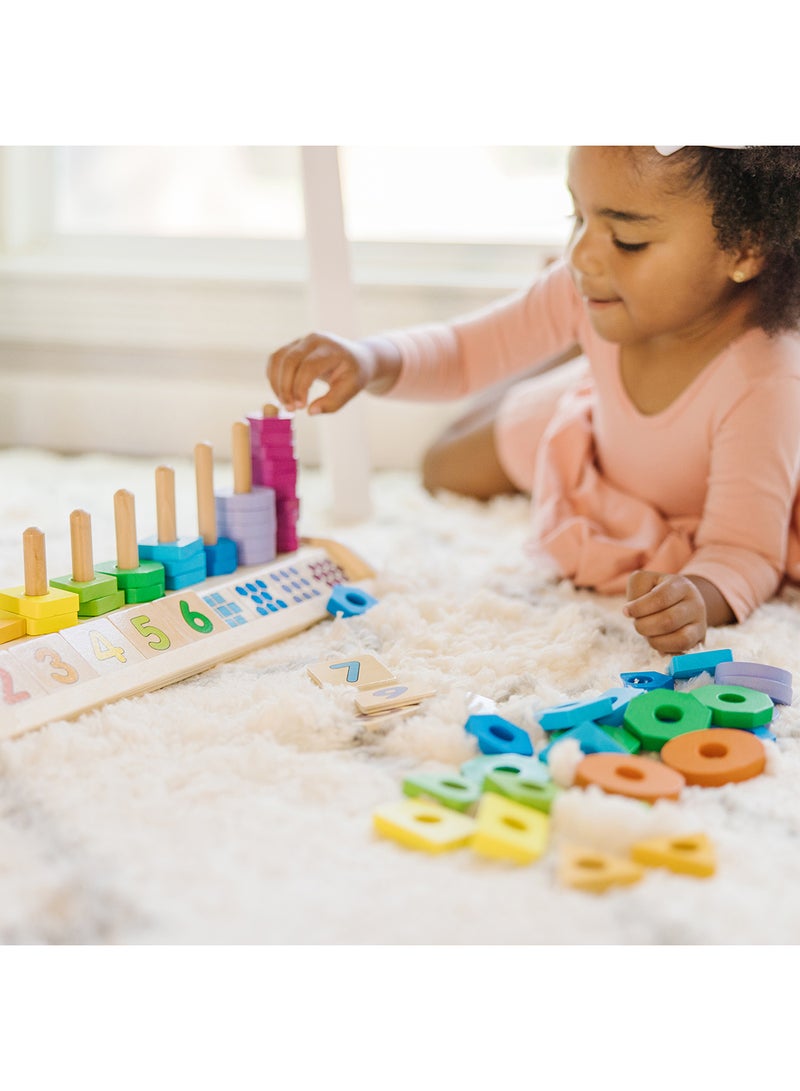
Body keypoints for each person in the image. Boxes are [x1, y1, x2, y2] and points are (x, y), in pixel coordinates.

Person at [267, 146, 800, 655]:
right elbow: (462, 353)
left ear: (745, 248)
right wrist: (368, 360)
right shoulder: (578, 283)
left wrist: (699, 599)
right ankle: (569, 349)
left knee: (453, 456)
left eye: (628, 240)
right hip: (592, 433)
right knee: (441, 467)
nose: (581, 256)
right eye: (577, 218)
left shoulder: (764, 382)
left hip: (689, 477)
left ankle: (572, 346)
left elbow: (745, 551)